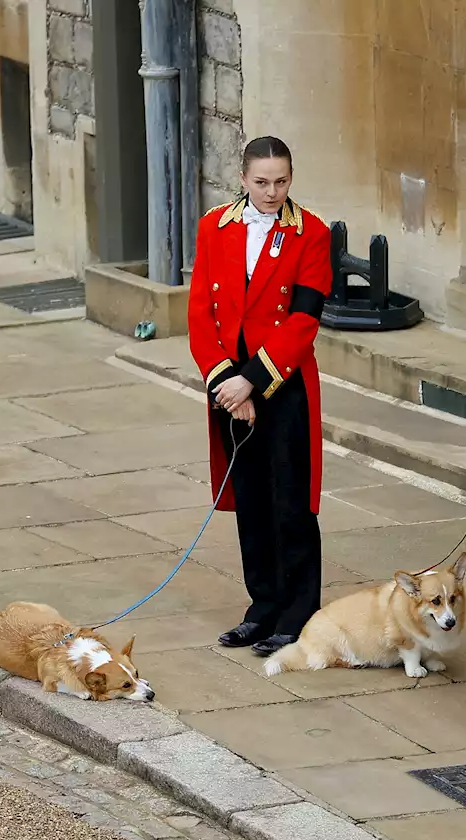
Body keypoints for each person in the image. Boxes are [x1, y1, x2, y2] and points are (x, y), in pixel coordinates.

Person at [186, 136, 332, 658]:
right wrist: (227, 383)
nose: (273, 192)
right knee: (249, 498)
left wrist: (253, 380)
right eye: (263, 182)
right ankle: (262, 606)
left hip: (283, 384)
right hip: (229, 387)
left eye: (282, 181)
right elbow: (201, 312)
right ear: (243, 179)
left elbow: (304, 320)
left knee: (291, 503)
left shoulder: (311, 233)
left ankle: (299, 614)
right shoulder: (213, 227)